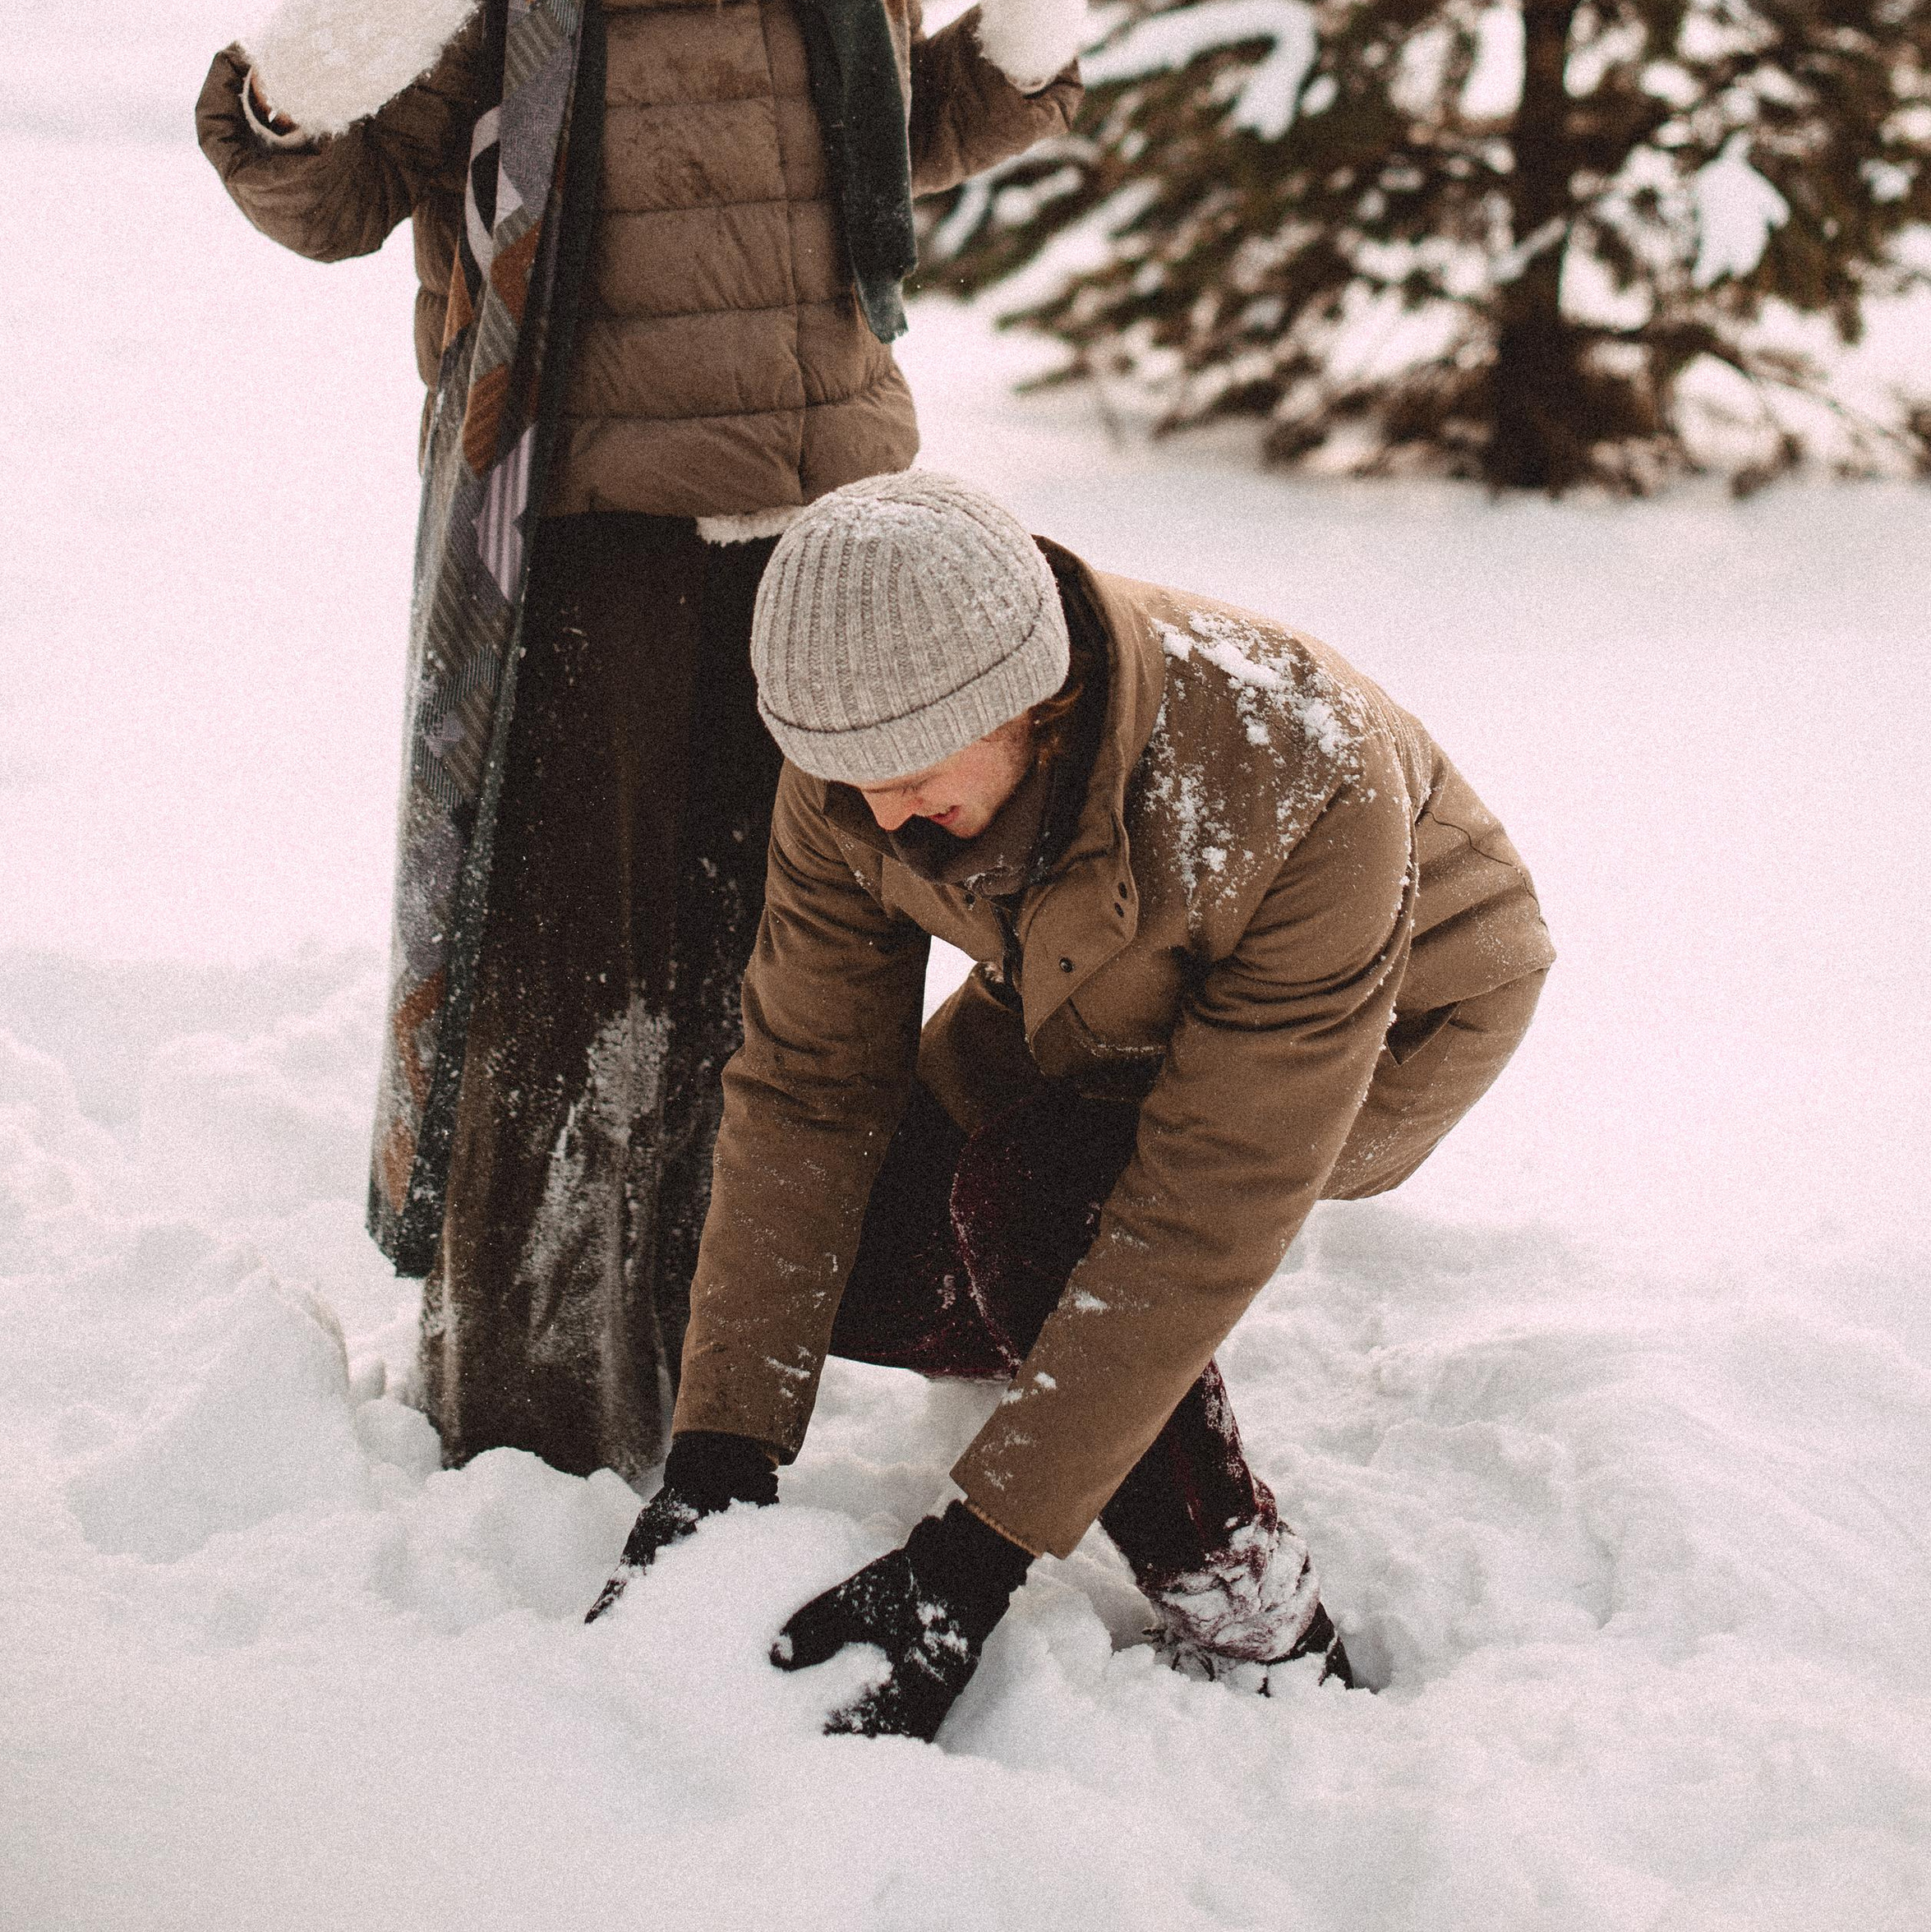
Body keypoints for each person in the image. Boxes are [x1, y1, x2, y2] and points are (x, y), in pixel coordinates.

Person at [195, 0, 1094, 1478]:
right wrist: (278, 99)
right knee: (577, 964)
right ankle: (534, 1398)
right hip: (593, 529)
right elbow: (346, 198)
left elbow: (863, 165)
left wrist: (1014, 65)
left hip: (830, 533)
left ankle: (752, 1371)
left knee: (794, 969)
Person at [590, 470, 1555, 1736]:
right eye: (846, 779)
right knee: (876, 1262)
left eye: (911, 773)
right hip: (1095, 980)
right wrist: (721, 1452)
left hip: (1398, 1008)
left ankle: (1253, 1612)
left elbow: (1199, 1211)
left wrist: (975, 1554)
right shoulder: (859, 754)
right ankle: (1076, 1355)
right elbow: (809, 1088)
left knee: (1055, 1204)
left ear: (1031, 703)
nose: (881, 815)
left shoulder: (1294, 769)